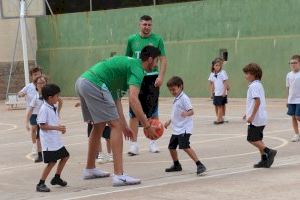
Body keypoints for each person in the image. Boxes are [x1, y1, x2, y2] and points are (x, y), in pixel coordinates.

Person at [75, 45, 161, 187]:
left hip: (83, 82)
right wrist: (146, 125)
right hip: (95, 84)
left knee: (99, 126)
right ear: (150, 59)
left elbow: (116, 99)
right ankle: (119, 175)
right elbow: (133, 99)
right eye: (156, 60)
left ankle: (90, 169)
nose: (156, 64)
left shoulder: (128, 65)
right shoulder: (138, 69)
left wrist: (125, 125)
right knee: (114, 126)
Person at [126, 15, 167, 155]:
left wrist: (161, 76)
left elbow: (163, 59)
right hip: (136, 78)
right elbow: (128, 59)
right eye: (144, 24)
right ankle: (133, 144)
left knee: (152, 111)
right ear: (140, 25)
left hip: (152, 79)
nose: (147, 27)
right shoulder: (132, 40)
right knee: (134, 113)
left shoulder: (158, 39)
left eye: (149, 24)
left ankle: (153, 141)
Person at [164, 76, 206, 176]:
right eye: (170, 90)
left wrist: (186, 114)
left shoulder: (184, 98)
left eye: (174, 89)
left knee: (185, 146)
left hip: (184, 128)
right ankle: (176, 165)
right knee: (171, 147)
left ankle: (199, 164)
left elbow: (191, 111)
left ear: (180, 87)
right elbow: (175, 113)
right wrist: (169, 121)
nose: (172, 92)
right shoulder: (176, 98)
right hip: (177, 128)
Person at [36, 84, 70, 192]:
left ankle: (57, 177)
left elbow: (59, 103)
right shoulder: (44, 109)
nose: (58, 97)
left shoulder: (52, 106)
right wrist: (57, 128)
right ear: (50, 97)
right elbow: (42, 125)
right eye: (57, 95)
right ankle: (40, 183)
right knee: (52, 162)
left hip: (56, 141)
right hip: (49, 142)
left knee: (65, 156)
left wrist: (60, 129)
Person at [242, 63, 277, 168]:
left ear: (254, 74)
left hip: (256, 118)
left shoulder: (254, 86)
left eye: (247, 73)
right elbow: (254, 103)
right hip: (261, 117)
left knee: (251, 139)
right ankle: (264, 160)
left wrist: (251, 116)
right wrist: (247, 113)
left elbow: (257, 101)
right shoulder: (258, 85)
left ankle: (269, 151)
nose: (245, 75)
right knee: (258, 139)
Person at [18, 67, 42, 157]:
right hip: (33, 113)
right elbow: (20, 93)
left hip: (42, 112)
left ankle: (43, 147)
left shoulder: (43, 85)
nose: (37, 76)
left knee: (43, 130)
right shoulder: (28, 87)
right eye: (35, 75)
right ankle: (34, 146)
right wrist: (21, 94)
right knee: (34, 129)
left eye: (39, 74)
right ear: (32, 76)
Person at [26, 75, 47, 163]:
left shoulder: (49, 94)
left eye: (43, 83)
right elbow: (30, 110)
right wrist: (26, 122)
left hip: (47, 119)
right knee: (38, 137)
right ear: (36, 85)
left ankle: (50, 153)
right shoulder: (36, 97)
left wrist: (57, 113)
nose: (41, 85)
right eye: (39, 83)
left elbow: (59, 101)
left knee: (49, 136)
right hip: (39, 119)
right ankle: (40, 155)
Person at [208, 58, 229, 124]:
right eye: (216, 65)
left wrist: (224, 92)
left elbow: (225, 83)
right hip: (216, 93)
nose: (217, 67)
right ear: (213, 66)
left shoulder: (223, 72)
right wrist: (212, 93)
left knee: (220, 105)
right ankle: (219, 117)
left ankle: (219, 119)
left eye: (219, 65)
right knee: (216, 106)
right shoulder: (212, 74)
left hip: (221, 93)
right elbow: (212, 84)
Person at [286, 55, 300, 142]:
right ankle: (296, 134)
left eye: (295, 62)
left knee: (298, 116)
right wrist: (287, 99)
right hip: (291, 100)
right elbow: (287, 87)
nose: (293, 64)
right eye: (291, 63)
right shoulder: (288, 75)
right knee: (293, 117)